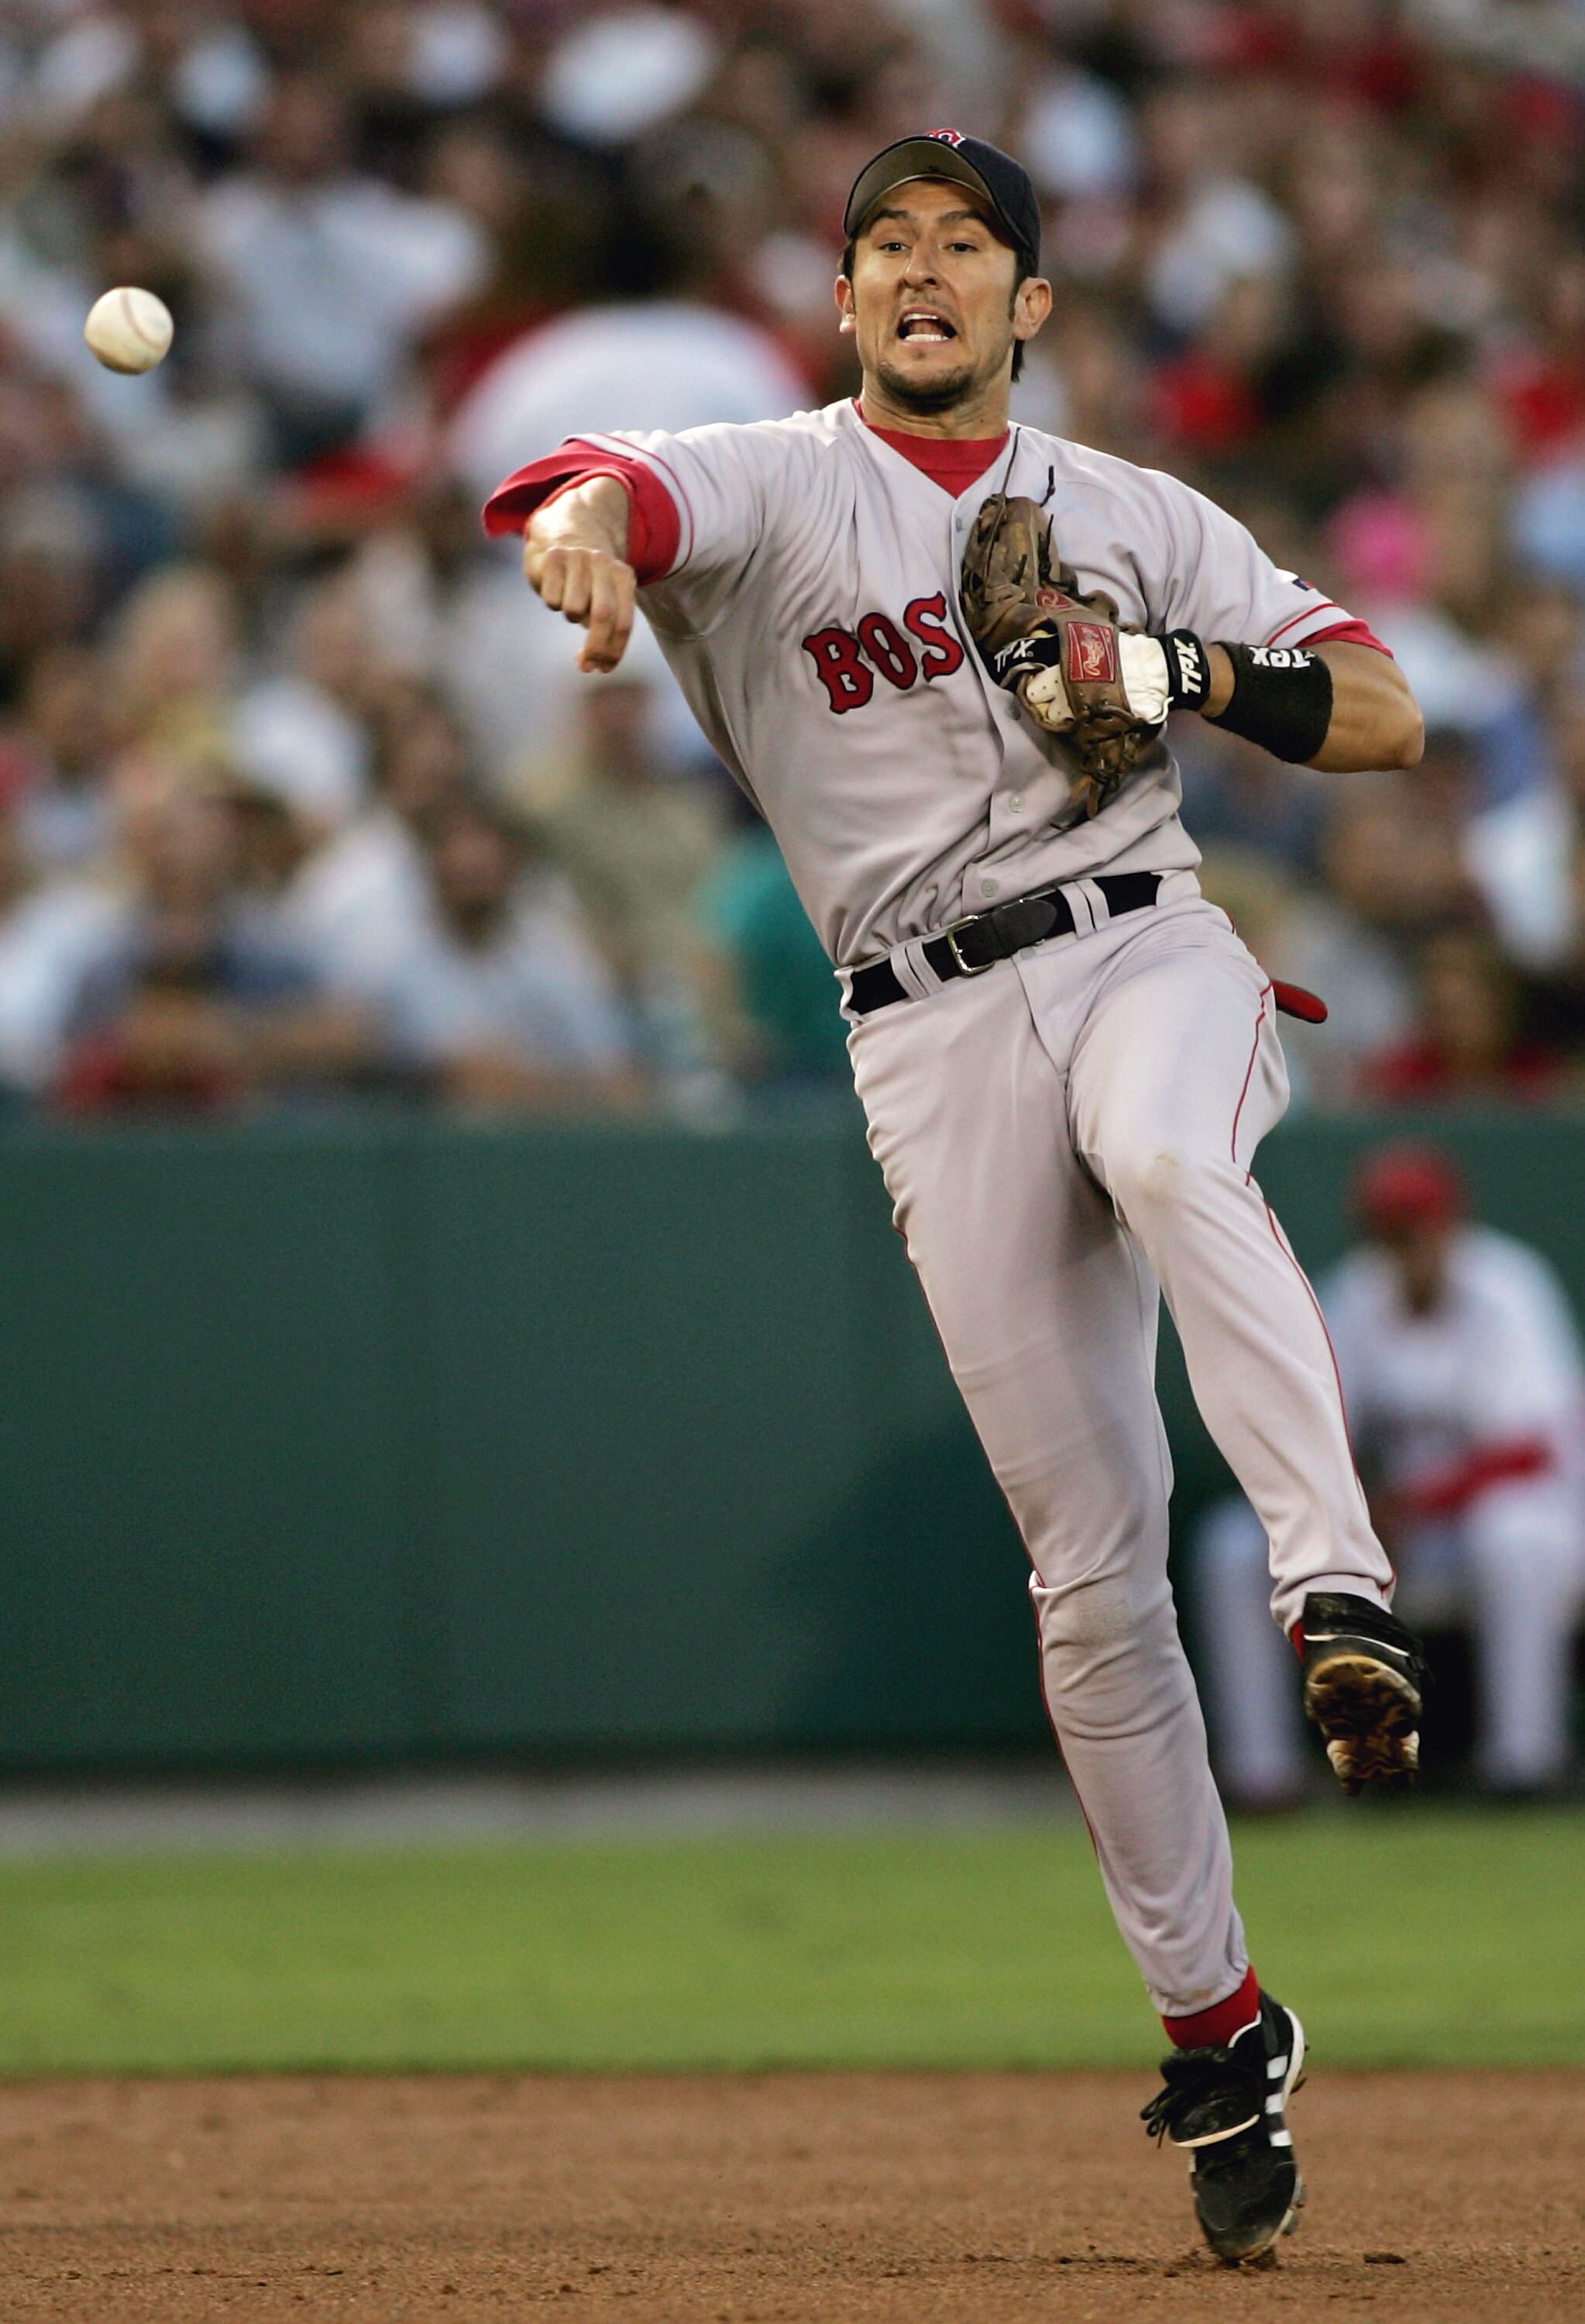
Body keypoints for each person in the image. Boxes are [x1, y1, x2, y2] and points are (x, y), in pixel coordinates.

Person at [484, 131, 1429, 2266]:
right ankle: (1218, 2023)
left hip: (1135, 940)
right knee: (1084, 1575)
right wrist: (580, 531)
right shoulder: (774, 478)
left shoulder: (1129, 513)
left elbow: (1375, 706)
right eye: (884, 246)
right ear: (840, 304)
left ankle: (1330, 1589)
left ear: (1028, 306)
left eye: (965, 246)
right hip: (912, 1026)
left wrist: (1170, 674)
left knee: (1172, 1145)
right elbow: (612, 487)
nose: (921, 272)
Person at [1194, 1145, 1585, 1804]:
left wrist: (1402, 1507)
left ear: (1450, 1223)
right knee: (1232, 1544)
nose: (1406, 1243)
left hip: (1528, 1520)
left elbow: (1528, 1452)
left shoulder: (1508, 1286)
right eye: (1390, 1229)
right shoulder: (1356, 1292)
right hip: (1399, 1525)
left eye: (1418, 1225)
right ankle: (1261, 1778)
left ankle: (1525, 1762)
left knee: (1512, 1535)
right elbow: (1318, 1429)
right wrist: (1351, 1510)